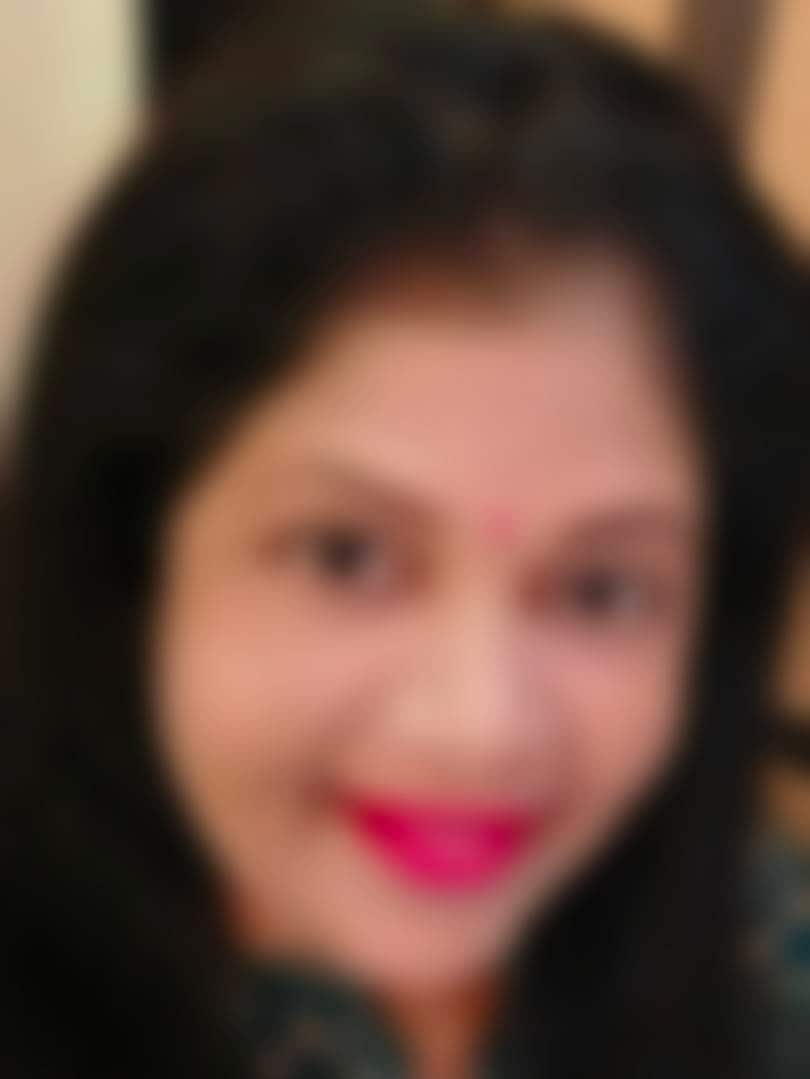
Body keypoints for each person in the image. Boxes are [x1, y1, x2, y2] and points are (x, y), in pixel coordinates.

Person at [4, 4, 809, 1077]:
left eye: (603, 588)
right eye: (347, 555)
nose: (475, 726)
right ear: (136, 550)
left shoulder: (764, 946)